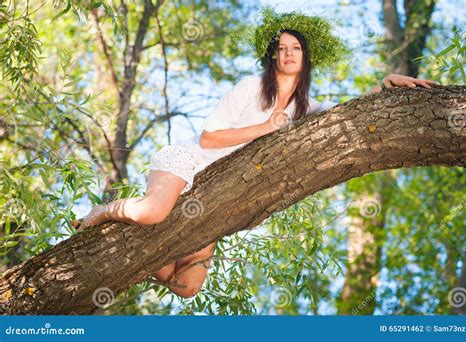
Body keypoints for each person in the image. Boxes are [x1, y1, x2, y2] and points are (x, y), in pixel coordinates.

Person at [70, 8, 436, 299]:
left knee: (186, 287)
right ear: (272, 56)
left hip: (216, 194)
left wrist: (384, 85)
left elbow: (341, 115)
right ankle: (104, 211)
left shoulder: (303, 108)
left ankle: (140, 252)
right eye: (282, 48)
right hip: (188, 163)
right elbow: (210, 138)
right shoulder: (249, 87)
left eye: (296, 48)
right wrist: (266, 127)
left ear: (306, 57)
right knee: (152, 212)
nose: (289, 53)